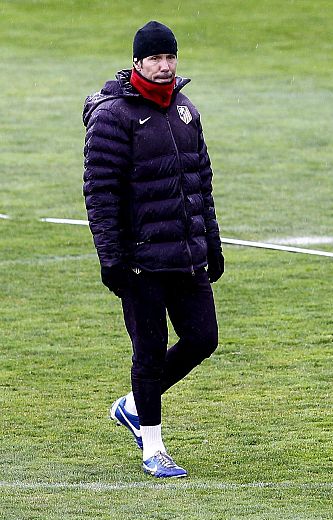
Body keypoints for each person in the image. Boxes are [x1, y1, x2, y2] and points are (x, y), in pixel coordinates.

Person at [82, 21, 224, 479]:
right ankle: (153, 448)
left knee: (203, 338)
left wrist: (212, 243)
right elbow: (100, 193)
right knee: (149, 349)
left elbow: (201, 183)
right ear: (137, 62)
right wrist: (112, 258)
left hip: (185, 255)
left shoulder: (185, 111)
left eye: (170, 57)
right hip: (140, 260)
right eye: (155, 59)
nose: (164, 66)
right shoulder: (114, 117)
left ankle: (131, 407)